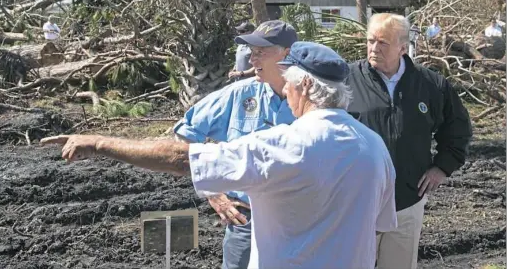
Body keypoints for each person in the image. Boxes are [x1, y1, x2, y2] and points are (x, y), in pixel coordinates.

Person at [40, 41, 397, 269]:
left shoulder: (285, 144)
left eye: (288, 81)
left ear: (304, 85)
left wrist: (100, 143)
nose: (284, 89)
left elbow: (183, 157)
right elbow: (379, 227)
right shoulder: (374, 147)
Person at [347, 13, 472, 269]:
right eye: (371, 40)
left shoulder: (431, 85)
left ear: (403, 48)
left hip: (406, 201)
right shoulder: (348, 81)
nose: (374, 48)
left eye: (383, 42)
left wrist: (442, 167)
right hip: (357, 204)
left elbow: (457, 129)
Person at [175, 19, 298, 269]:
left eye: (261, 52)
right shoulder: (238, 94)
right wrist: (213, 192)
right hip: (245, 221)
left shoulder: (311, 98)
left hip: (298, 223)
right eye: (252, 52)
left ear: (287, 54)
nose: (252, 60)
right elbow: (185, 133)